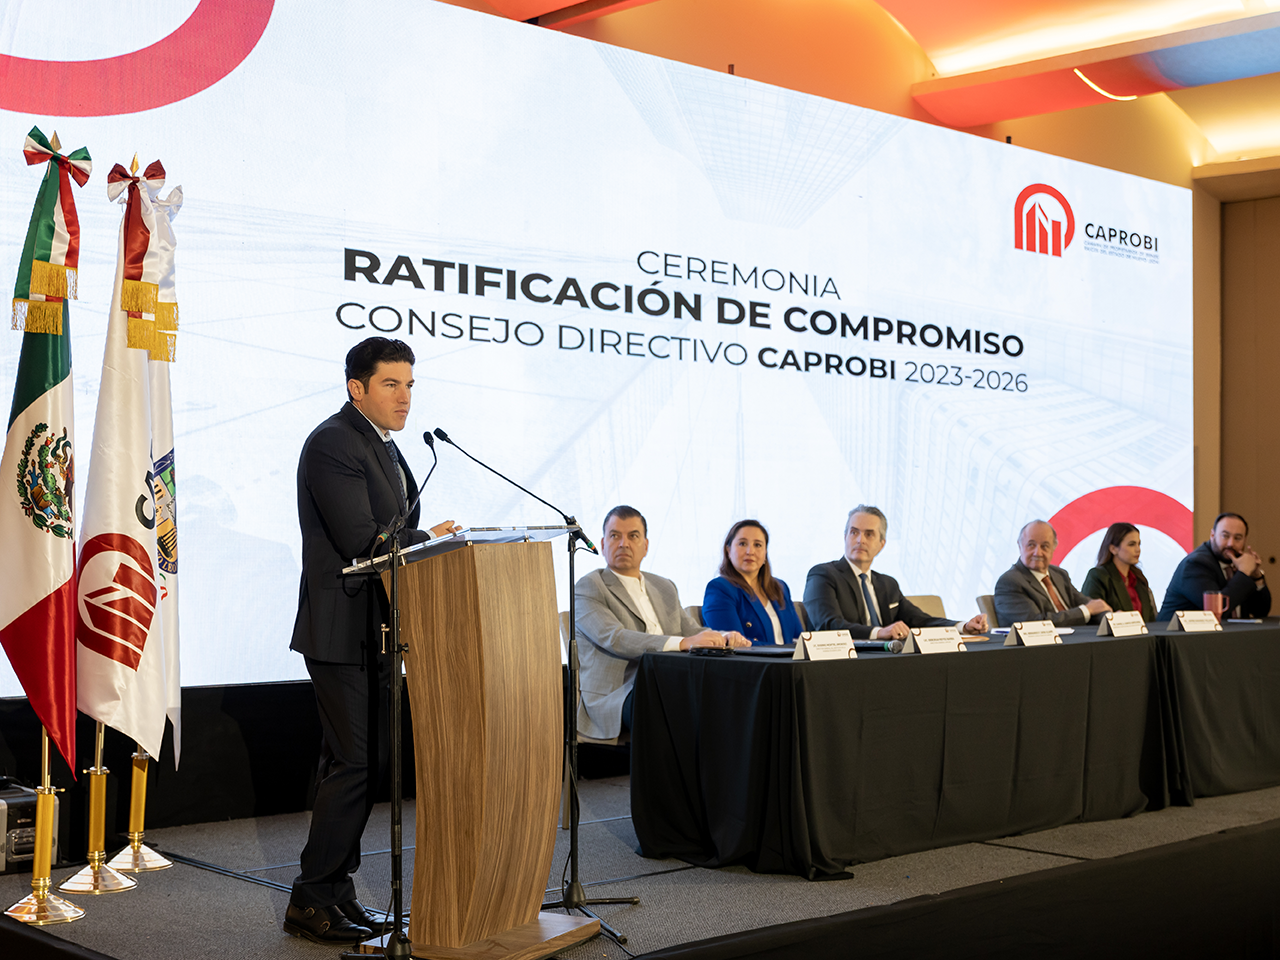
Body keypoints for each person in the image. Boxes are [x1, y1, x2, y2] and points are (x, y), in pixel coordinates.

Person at [286, 337, 461, 945]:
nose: (405, 397)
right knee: (355, 763)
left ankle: (335, 892)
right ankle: (312, 898)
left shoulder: (384, 445)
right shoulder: (334, 442)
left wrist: (423, 541)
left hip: (382, 629)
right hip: (343, 631)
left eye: (410, 385)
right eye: (391, 384)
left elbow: (390, 533)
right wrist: (426, 538)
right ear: (356, 387)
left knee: (361, 763)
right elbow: (363, 539)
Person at [575, 505, 749, 740]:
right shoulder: (590, 586)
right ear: (603, 544)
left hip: (670, 679)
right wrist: (683, 643)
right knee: (680, 700)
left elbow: (690, 630)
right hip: (618, 693)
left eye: (633, 536)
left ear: (645, 546)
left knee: (730, 691)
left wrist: (721, 636)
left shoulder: (663, 586)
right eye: (615, 536)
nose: (624, 543)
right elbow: (614, 638)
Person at [803, 505, 987, 640]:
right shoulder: (823, 575)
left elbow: (919, 620)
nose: (860, 540)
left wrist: (962, 626)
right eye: (854, 532)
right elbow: (828, 625)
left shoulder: (887, 584)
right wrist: (879, 633)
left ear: (881, 545)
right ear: (845, 537)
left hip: (886, 660)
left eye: (869, 534)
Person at [702, 520, 804, 645]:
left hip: (789, 657)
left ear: (765, 552)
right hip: (752, 658)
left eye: (758, 545)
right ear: (728, 551)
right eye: (742, 544)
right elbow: (733, 644)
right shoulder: (720, 589)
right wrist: (784, 651)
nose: (750, 551)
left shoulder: (780, 587)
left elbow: (799, 638)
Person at [994, 520, 1111, 627]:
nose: (1037, 553)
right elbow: (1035, 623)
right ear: (1020, 546)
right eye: (1031, 545)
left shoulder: (1059, 574)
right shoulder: (1010, 582)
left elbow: (1089, 605)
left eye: (1044, 546)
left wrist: (1111, 618)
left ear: (1053, 548)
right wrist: (1086, 610)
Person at [1158, 512, 1271, 620]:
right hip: (1178, 633)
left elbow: (1261, 611)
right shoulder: (1195, 564)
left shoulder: (1237, 562)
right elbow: (1218, 610)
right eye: (1225, 536)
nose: (1231, 543)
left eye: (1237, 538)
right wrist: (1244, 572)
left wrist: (1256, 576)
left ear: (1245, 540)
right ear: (1212, 535)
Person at [1080, 523, 1158, 622]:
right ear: (1113, 549)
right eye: (1131, 544)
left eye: (1139, 544)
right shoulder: (1098, 576)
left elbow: (1150, 618)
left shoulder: (1139, 578)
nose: (1138, 549)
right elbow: (1093, 616)